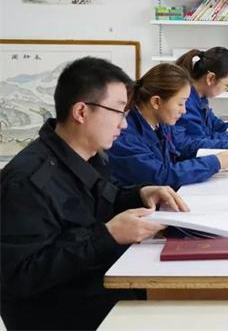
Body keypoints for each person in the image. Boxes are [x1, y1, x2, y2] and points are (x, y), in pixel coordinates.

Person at [0, 57, 188, 330]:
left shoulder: (90, 155)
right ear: (81, 112)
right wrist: (108, 235)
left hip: (104, 285)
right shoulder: (26, 181)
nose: (124, 125)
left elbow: (105, 198)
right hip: (64, 314)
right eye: (118, 111)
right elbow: (19, 276)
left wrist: (141, 194)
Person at [108, 63, 228, 189]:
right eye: (180, 103)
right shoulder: (125, 137)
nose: (184, 111)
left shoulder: (161, 123)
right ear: (156, 102)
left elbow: (184, 147)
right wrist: (214, 162)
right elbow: (162, 175)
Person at [175, 47, 228, 144]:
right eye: (227, 85)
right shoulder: (186, 103)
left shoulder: (200, 98)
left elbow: (215, 125)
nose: (226, 89)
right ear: (210, 78)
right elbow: (200, 141)